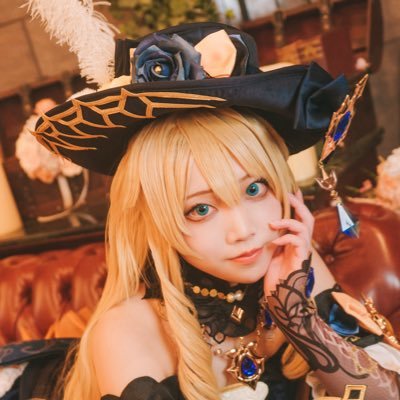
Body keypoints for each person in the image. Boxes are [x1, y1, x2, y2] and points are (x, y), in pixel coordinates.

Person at [2, 22, 399, 400]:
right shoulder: (127, 332)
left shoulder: (293, 261)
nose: (243, 230)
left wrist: (297, 317)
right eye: (201, 209)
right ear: (154, 220)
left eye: (254, 189)